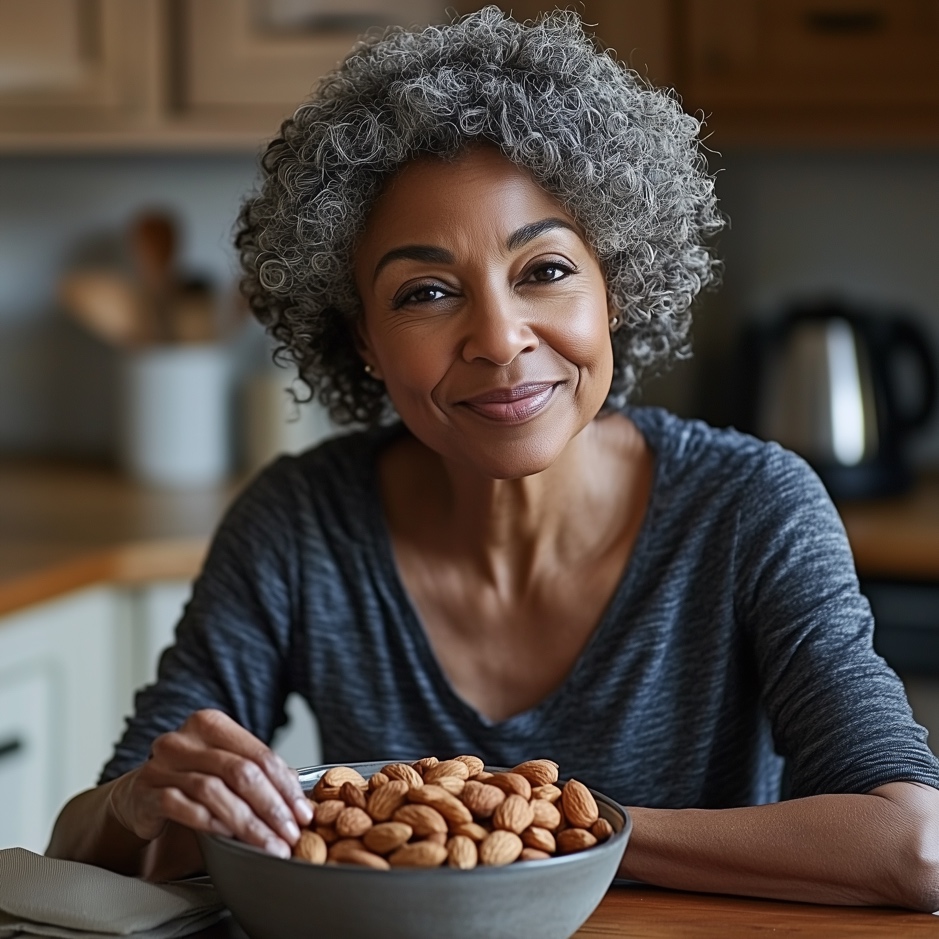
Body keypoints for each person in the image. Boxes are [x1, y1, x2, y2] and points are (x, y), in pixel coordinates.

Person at [48, 6, 939, 909]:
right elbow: (89, 841)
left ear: (614, 287)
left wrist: (545, 831)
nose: (499, 339)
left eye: (544, 270)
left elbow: (912, 844)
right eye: (426, 291)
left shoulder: (750, 507)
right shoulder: (301, 522)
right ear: (362, 340)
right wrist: (139, 798)